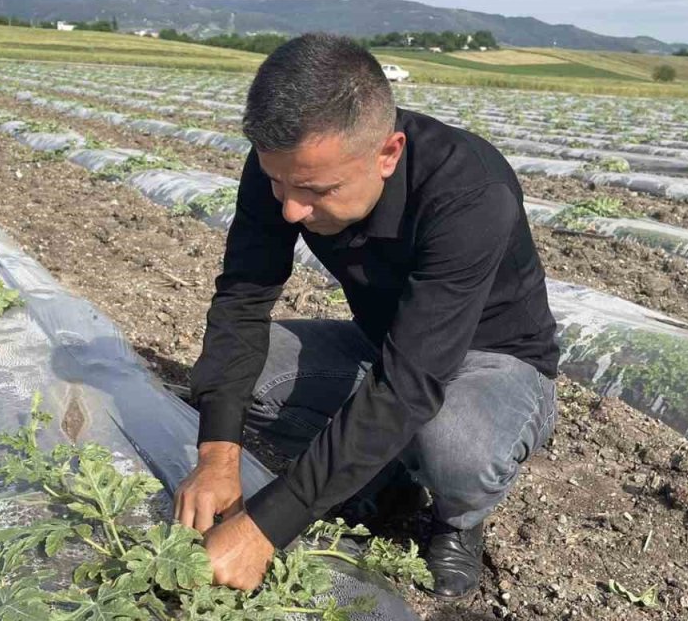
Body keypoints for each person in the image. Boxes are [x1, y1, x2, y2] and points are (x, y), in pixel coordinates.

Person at [174, 33, 560, 599]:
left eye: (316, 190)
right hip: (386, 343)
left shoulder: (471, 192)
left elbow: (409, 383)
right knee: (235, 381)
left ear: (388, 154)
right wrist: (217, 456)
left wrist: (266, 526)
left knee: (454, 447)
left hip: (495, 361)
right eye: (278, 182)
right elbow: (242, 299)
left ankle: (457, 519)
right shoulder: (288, 166)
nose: (291, 209)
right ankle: (384, 475)